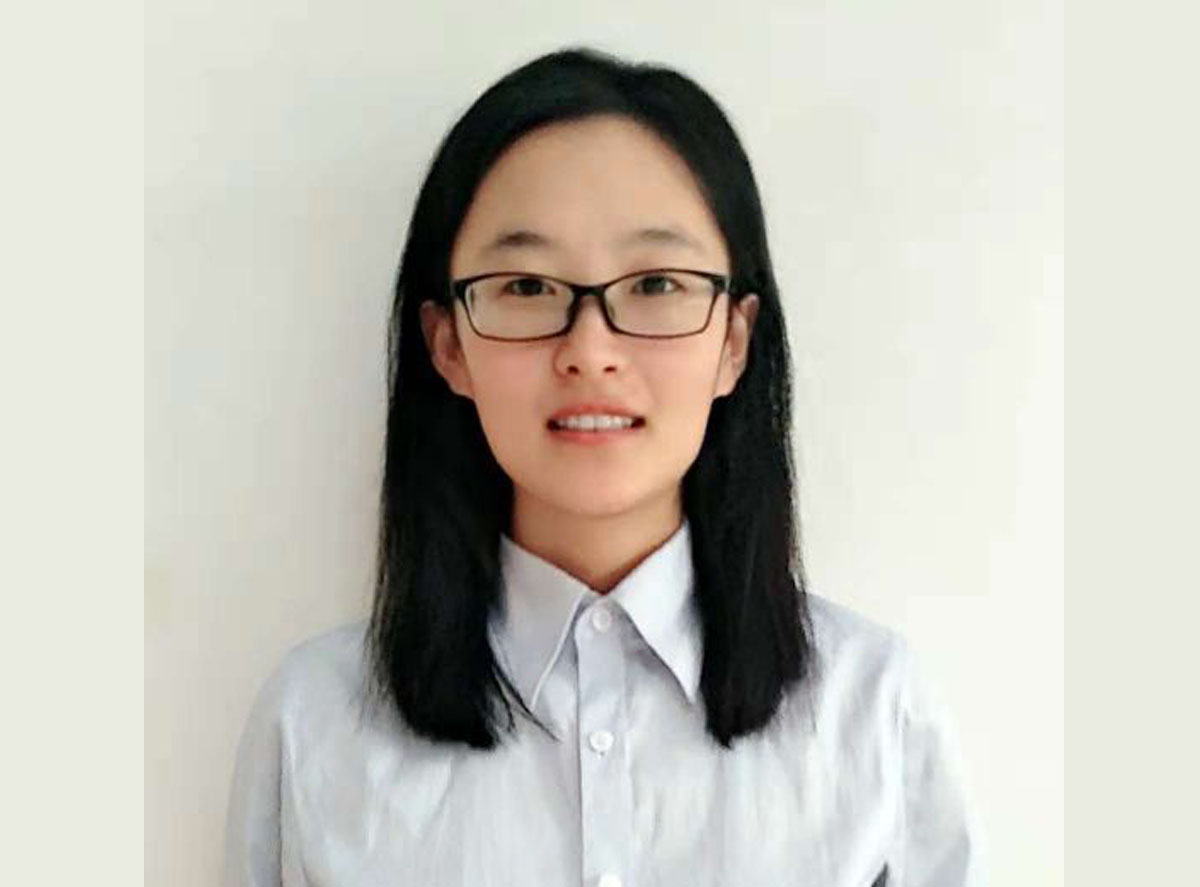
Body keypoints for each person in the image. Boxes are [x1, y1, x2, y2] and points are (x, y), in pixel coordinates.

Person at [223, 46, 984, 887]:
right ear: (447, 344)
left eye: (655, 284)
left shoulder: (872, 711)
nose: (590, 349)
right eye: (526, 286)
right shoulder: (316, 723)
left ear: (734, 340)